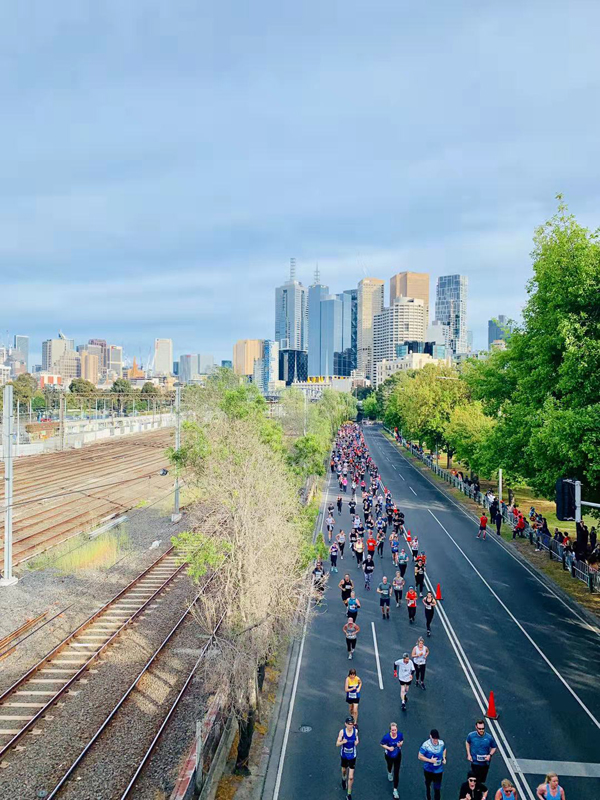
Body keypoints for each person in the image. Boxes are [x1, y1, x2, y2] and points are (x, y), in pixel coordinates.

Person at [418, 728, 446, 800]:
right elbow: (420, 756)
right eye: (434, 739)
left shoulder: (441, 743)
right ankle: (428, 797)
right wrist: (430, 760)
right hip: (428, 770)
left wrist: (444, 758)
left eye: (436, 739)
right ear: (430, 736)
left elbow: (444, 749)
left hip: (439, 770)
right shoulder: (426, 745)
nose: (435, 741)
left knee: (437, 788)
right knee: (428, 785)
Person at [336, 716, 359, 799]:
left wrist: (356, 742)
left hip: (352, 756)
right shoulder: (342, 732)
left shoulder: (355, 731)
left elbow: (357, 739)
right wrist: (342, 742)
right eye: (349, 724)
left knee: (351, 777)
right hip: (344, 755)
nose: (350, 726)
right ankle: (343, 778)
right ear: (345, 724)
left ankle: (349, 794)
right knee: (344, 770)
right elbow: (337, 744)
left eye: (352, 724)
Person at [380, 722, 403, 798]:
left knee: (396, 772)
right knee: (390, 766)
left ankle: (395, 790)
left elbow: (402, 740)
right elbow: (382, 744)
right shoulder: (386, 737)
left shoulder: (399, 735)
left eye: (395, 730)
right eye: (392, 730)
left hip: (397, 755)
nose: (394, 732)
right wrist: (389, 748)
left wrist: (400, 744)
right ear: (390, 730)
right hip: (389, 756)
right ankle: (389, 772)